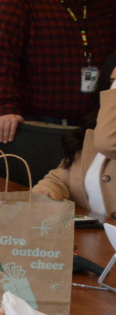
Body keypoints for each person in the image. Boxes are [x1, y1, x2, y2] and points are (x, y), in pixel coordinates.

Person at [0, 0, 116, 179]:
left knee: (85, 207)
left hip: (95, 128)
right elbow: (3, 54)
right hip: (39, 126)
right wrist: (5, 107)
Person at [34, 54, 116, 220]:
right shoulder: (93, 126)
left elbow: (107, 144)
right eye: (111, 83)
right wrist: (44, 194)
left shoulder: (106, 136)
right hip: (92, 239)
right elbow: (62, 178)